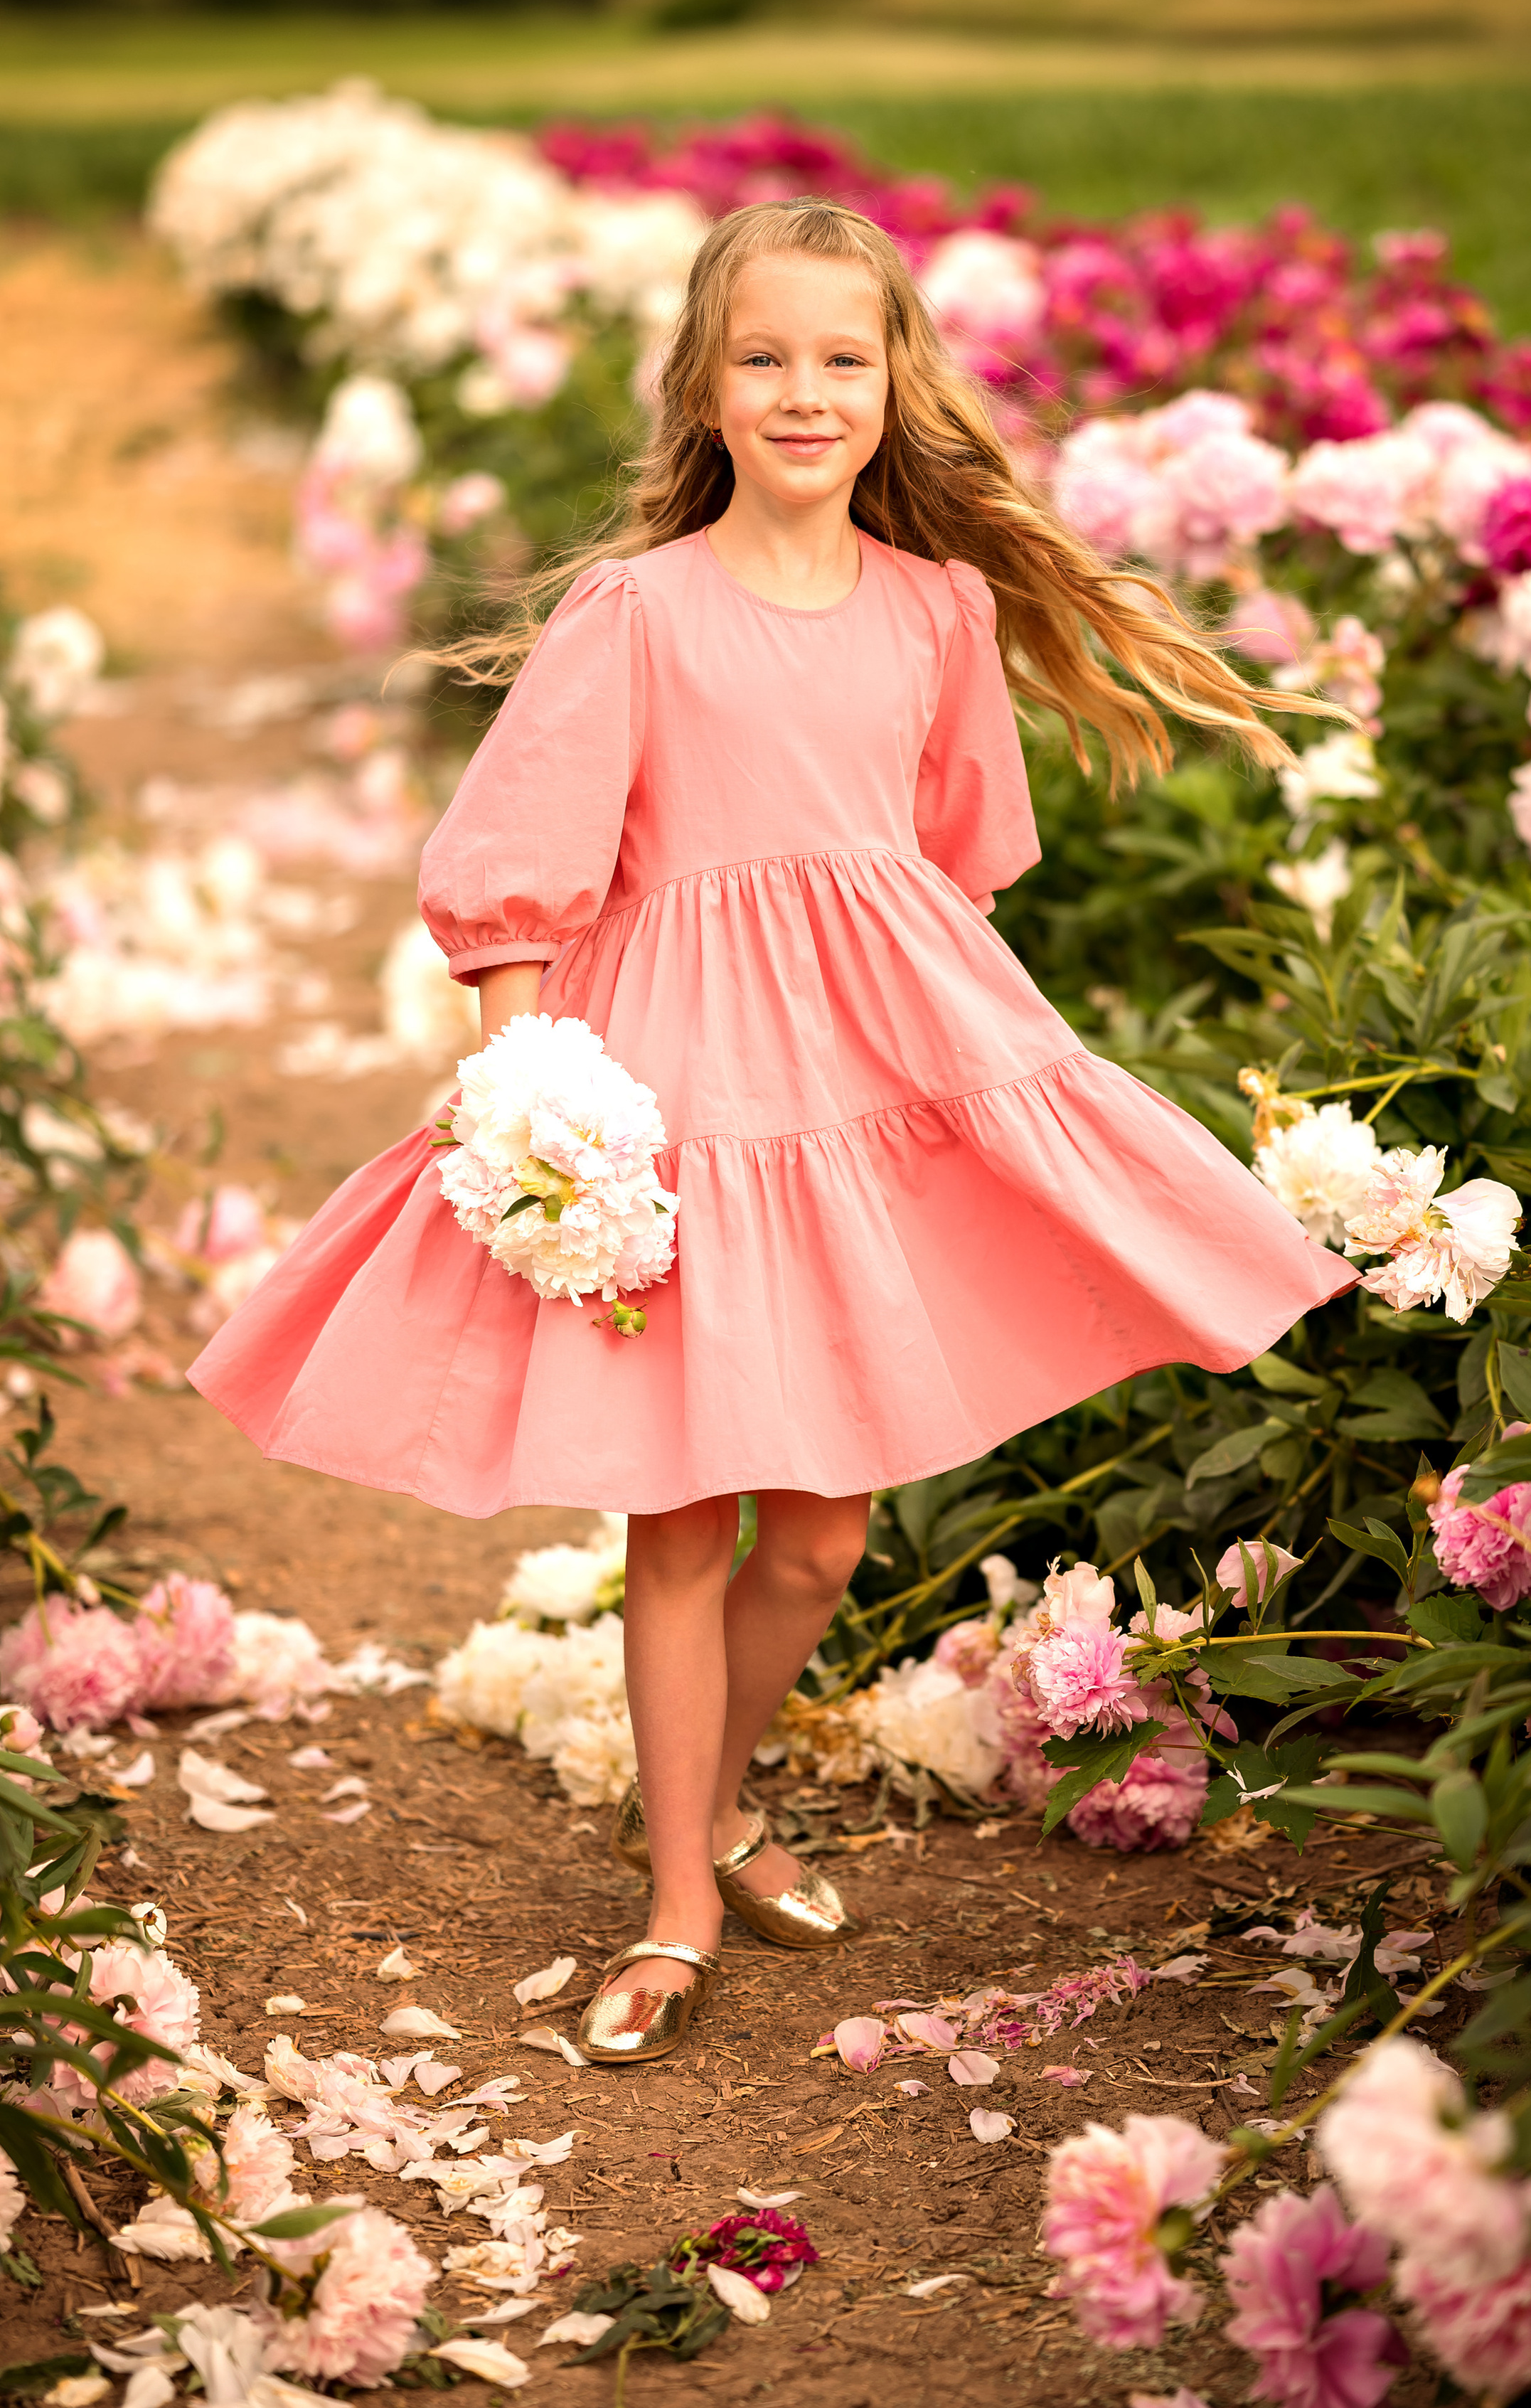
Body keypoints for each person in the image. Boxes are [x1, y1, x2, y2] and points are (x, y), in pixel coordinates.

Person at [190, 197, 1354, 2065]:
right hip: (677, 1092)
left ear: (897, 380)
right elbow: (517, 875)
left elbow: (960, 850)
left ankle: (722, 1803)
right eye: (765, 358)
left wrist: (937, 1032)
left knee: (817, 1540)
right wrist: (534, 1102)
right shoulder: (640, 609)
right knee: (682, 1519)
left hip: (873, 1080)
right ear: (703, 391)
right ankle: (675, 1896)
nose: (806, 391)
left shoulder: (942, 609)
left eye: (843, 356)